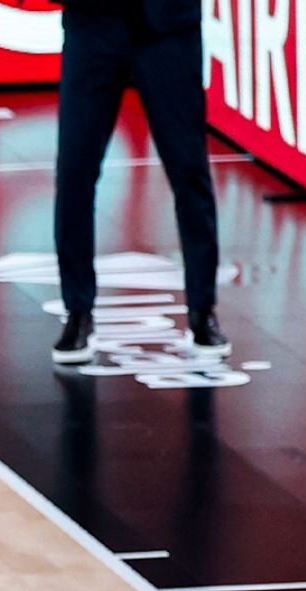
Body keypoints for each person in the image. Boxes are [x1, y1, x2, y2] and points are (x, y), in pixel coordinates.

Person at [51, 0, 230, 364]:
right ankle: (78, 311)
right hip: (92, 26)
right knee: (74, 172)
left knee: (188, 169)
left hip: (169, 28)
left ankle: (202, 309)